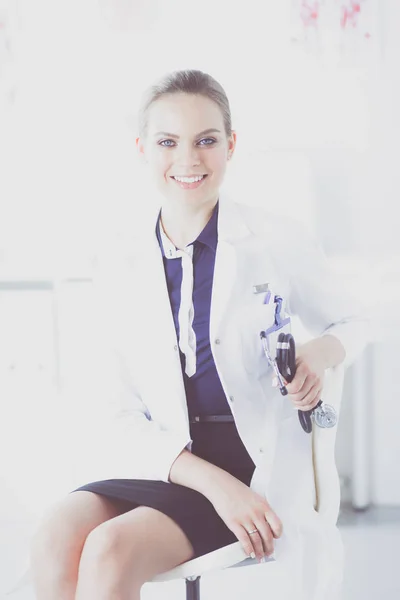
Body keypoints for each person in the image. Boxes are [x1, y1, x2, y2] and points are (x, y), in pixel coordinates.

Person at [29, 69, 370, 600]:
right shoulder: (115, 261)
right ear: (143, 148)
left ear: (231, 145)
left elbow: (358, 319)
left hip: (246, 460)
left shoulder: (276, 240)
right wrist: (214, 485)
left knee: (110, 549)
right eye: (168, 141)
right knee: (53, 537)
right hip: (161, 457)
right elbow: (110, 410)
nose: (188, 160)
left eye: (206, 140)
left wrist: (319, 353)